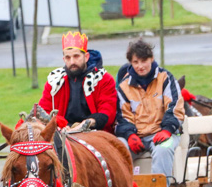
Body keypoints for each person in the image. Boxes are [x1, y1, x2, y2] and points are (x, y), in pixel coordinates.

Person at [114, 39, 185, 178]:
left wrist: (167, 129)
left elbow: (175, 107)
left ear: (151, 59)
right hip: (136, 137)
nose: (140, 66)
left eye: (144, 61)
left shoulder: (166, 79)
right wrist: (130, 135)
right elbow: (122, 117)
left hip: (163, 134)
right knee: (118, 149)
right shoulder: (123, 87)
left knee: (163, 150)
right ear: (130, 63)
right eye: (135, 62)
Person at [37, 31, 118, 132]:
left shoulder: (103, 79)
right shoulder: (54, 81)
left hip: (95, 132)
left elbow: (108, 112)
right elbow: (44, 111)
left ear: (86, 57)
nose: (72, 62)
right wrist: (59, 124)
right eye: (68, 57)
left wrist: (86, 123)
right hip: (62, 132)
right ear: (63, 59)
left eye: (76, 56)